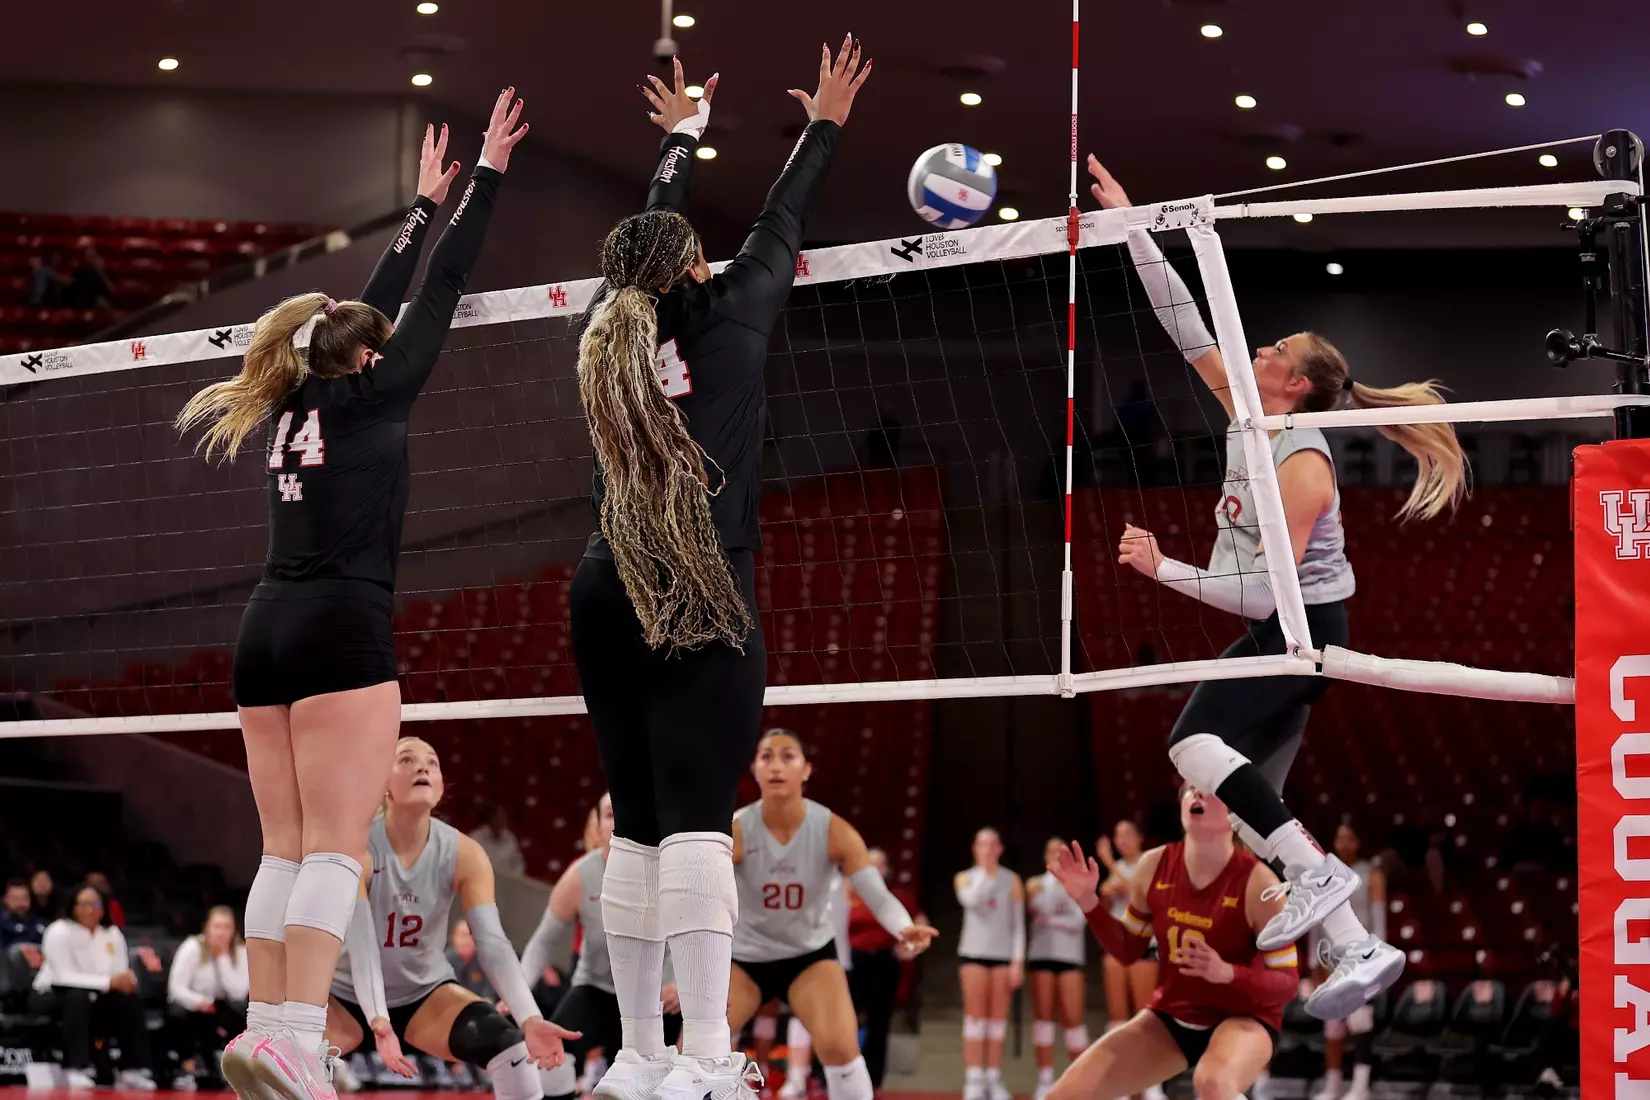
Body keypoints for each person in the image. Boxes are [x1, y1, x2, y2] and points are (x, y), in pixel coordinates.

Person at [177, 95, 530, 1100]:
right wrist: (484, 179)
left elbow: (354, 318)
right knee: (334, 849)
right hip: (340, 624)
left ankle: (268, 1028)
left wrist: (418, 207)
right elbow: (440, 287)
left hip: (264, 628)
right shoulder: (376, 391)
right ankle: (296, 1038)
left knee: (283, 849)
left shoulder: (292, 396)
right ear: (365, 354)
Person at [1086, 154, 1467, 1017]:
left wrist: (1164, 568)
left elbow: (1267, 598)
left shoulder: (1302, 464)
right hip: (1281, 623)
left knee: (1192, 745)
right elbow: (1185, 325)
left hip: (1307, 628)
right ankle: (1358, 945)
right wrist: (1134, 227)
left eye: (1276, 350)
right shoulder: (1248, 414)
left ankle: (1317, 874)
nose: (1258, 348)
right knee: (1251, 803)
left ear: (1295, 385)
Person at [569, 43, 870, 1100]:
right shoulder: (736, 311)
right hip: (698, 585)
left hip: (605, 582)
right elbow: (783, 218)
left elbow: (649, 248)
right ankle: (701, 1052)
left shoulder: (604, 332)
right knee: (697, 821)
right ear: (697, 264)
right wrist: (822, 123)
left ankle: (636, 1056)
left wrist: (680, 142)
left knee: (637, 825)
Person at [323, 736, 574, 1100]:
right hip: (346, 994)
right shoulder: (357, 847)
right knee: (288, 1059)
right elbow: (363, 947)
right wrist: (379, 1021)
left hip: (423, 995)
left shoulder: (465, 854)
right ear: (382, 783)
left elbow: (492, 943)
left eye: (432, 762)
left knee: (512, 1050)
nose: (422, 767)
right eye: (406, 759)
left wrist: (530, 1018)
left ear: (441, 788)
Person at [1044, 788, 1300, 1100]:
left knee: (1213, 1084)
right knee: (1062, 1096)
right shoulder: (1154, 865)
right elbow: (1128, 950)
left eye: (1208, 789)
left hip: (1246, 1018)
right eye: (1190, 788)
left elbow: (1288, 984)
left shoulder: (1259, 884)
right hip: (1173, 1016)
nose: (1196, 795)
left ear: (1235, 814)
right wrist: (1088, 901)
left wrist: (1228, 973)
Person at [727, 730, 935, 1100]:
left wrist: (904, 927)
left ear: (806, 769)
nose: (776, 765)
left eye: (788, 756)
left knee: (841, 1049)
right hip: (744, 957)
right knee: (696, 1052)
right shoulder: (736, 830)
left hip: (808, 955)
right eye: (766, 756)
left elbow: (878, 896)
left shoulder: (832, 830)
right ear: (754, 769)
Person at [521, 794, 683, 1100]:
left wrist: (678, 983)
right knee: (553, 1054)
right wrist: (517, 993)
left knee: (681, 1061)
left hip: (656, 997)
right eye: (610, 814)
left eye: (626, 811)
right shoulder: (580, 876)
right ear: (596, 831)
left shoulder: (669, 872)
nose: (619, 820)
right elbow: (543, 941)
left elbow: (690, 937)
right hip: (597, 990)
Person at [31, 882, 154, 1090]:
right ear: (73, 907)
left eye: (95, 904)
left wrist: (125, 981)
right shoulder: (58, 931)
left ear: (103, 909)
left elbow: (119, 971)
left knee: (129, 1001)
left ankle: (131, 1069)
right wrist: (108, 982)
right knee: (76, 997)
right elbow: (63, 976)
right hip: (51, 994)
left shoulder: (111, 933)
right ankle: (74, 1068)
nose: (90, 909)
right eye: (84, 904)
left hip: (95, 995)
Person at [1309, 824, 1385, 1100]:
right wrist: (1313, 961)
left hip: (1360, 959)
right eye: (1338, 838)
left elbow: (1379, 922)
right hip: (1331, 961)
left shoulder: (1371, 874)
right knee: (1333, 1027)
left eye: (1348, 839)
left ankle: (1361, 1086)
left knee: (1360, 1023)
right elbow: (1315, 920)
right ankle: (1333, 1085)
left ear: (1357, 842)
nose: (1343, 844)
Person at [1096, 819, 1164, 1100]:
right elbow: (1105, 910)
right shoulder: (1115, 871)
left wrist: (1109, 864)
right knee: (1117, 1018)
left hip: (1144, 947)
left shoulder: (1148, 863)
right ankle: (1120, 1084)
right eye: (1117, 835)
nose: (1121, 840)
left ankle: (1152, 1084)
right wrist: (1103, 894)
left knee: (1145, 1018)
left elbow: (1140, 895)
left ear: (1138, 837)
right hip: (1117, 946)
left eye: (1126, 834)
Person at [954, 828, 1023, 1100]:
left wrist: (1017, 961)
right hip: (973, 954)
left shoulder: (1012, 880)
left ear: (1000, 849)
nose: (987, 849)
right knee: (975, 1019)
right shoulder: (965, 878)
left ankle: (993, 1077)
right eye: (982, 844)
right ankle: (973, 1077)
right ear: (975, 848)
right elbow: (971, 900)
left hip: (1002, 957)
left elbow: (1018, 924)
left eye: (993, 844)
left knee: (996, 1022)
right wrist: (985, 873)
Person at [845, 849, 921, 1090]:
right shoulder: (848, 893)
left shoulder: (897, 897)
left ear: (888, 870)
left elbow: (918, 925)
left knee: (879, 1020)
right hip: (851, 960)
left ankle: (873, 1080)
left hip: (884, 961)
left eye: (881, 865)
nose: (876, 870)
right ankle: (840, 1076)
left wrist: (911, 948)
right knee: (845, 1019)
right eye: (871, 864)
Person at [1025, 838, 1088, 1100]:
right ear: (1044, 856)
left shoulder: (1079, 883)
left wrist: (1051, 920)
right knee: (1043, 1018)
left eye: (1061, 851)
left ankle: (1080, 1081)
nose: (1056, 855)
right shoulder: (1035, 883)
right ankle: (1045, 1080)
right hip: (1041, 955)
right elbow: (1038, 908)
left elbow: (1079, 921)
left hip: (1070, 956)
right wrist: (1055, 916)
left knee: (1073, 1018)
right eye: (1051, 851)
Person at [168, 906, 251, 1090]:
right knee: (184, 1015)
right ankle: (187, 1068)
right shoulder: (192, 947)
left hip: (221, 1005)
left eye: (227, 927)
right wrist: (198, 1002)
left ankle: (237, 1067)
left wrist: (222, 958)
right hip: (192, 1004)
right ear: (207, 927)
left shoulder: (239, 950)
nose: (222, 932)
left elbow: (238, 992)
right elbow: (176, 988)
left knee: (241, 1012)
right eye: (217, 926)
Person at [471, 802, 527, 877]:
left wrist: (514, 877)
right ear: (491, 819)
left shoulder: (510, 837)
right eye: (500, 817)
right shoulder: (476, 837)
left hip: (507, 880)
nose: (504, 819)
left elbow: (518, 863)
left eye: (503, 816)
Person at [447, 919, 498, 1002]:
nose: (466, 941)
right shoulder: (444, 961)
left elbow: (488, 996)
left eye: (471, 935)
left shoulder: (487, 962)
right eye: (462, 935)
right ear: (453, 938)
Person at [1, 878, 46, 949]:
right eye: (15, 899)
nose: (20, 903)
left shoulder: (40, 922)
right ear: (6, 899)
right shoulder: (2, 924)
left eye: (24, 898)